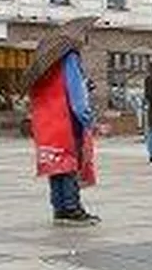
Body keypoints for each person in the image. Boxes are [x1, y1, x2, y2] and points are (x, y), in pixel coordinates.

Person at [27, 17, 99, 224]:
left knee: (56, 161)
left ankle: (59, 207)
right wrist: (87, 119)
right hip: (67, 119)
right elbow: (76, 96)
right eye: (86, 35)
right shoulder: (70, 58)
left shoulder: (47, 63)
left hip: (46, 119)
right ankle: (72, 208)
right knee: (69, 161)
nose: (86, 39)